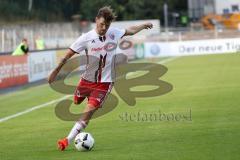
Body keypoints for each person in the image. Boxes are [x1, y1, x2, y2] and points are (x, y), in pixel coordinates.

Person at [48, 6, 153, 151]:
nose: (104, 28)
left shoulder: (114, 33)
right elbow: (67, 55)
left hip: (105, 83)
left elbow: (130, 30)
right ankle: (82, 97)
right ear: (96, 20)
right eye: (101, 24)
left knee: (88, 112)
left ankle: (67, 139)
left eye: (107, 25)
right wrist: (56, 71)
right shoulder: (85, 38)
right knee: (77, 101)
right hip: (86, 81)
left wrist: (143, 25)